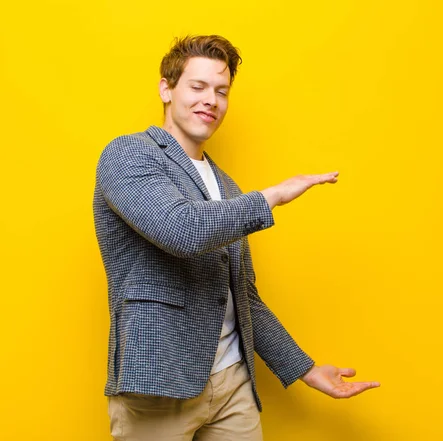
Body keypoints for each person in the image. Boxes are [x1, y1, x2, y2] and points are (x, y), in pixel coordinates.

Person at [93, 34, 379, 441]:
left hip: (232, 384)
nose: (211, 99)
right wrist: (273, 196)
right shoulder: (128, 155)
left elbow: (242, 296)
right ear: (166, 89)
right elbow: (180, 230)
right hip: (159, 381)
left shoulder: (227, 187)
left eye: (221, 91)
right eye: (198, 86)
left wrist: (306, 369)